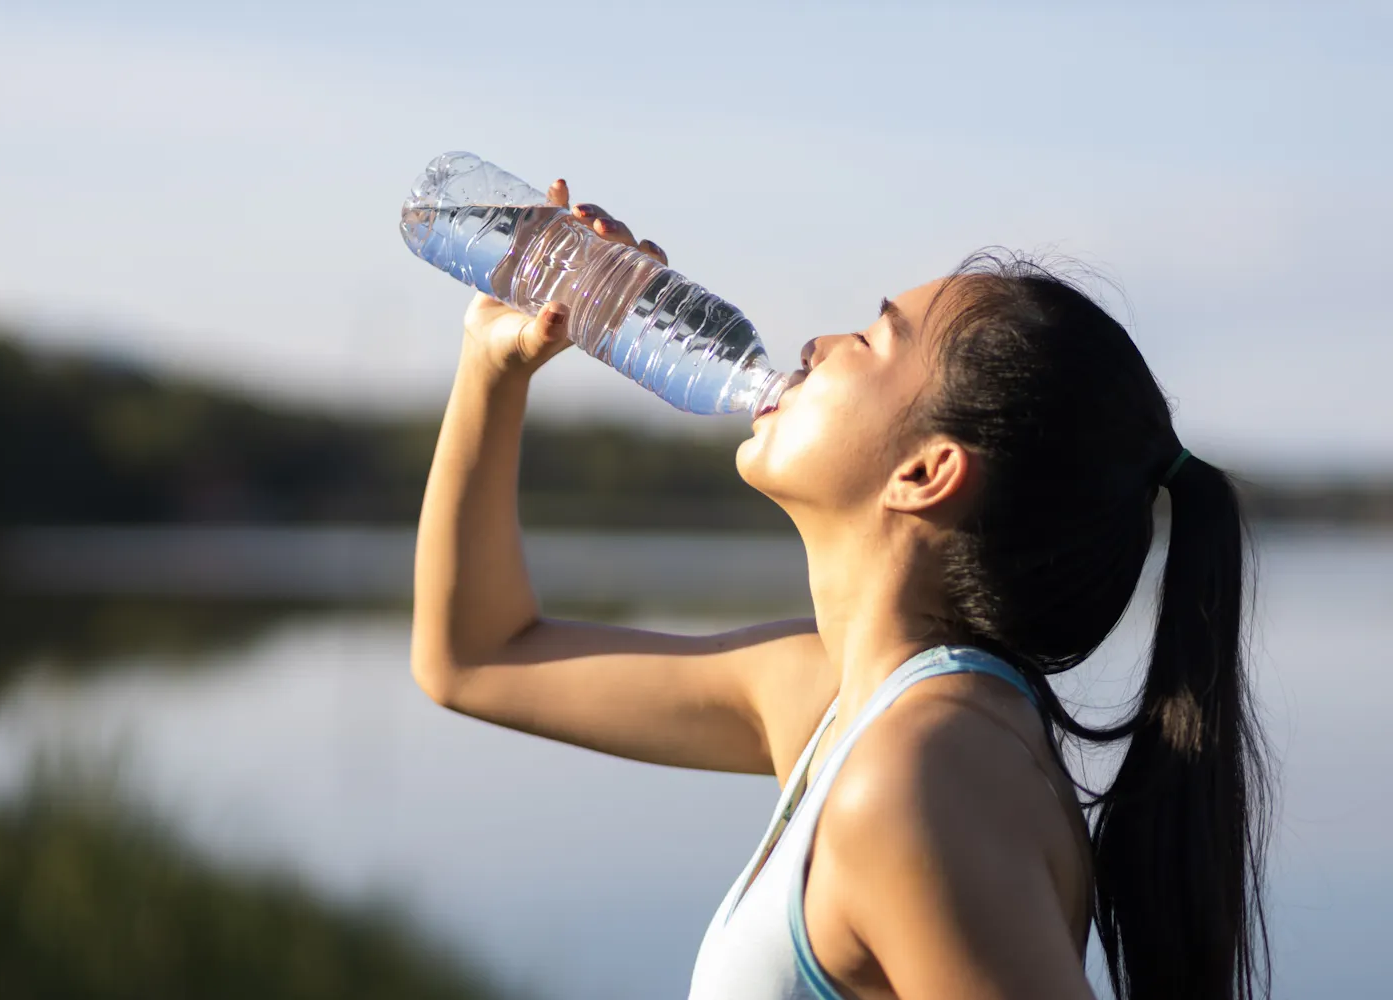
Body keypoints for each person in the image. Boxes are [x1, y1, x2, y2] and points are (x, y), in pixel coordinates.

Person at [410, 179, 1272, 1000]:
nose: (814, 346)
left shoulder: (924, 775)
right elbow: (477, 657)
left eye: (870, 340)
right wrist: (495, 368)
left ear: (926, 471)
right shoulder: (835, 703)